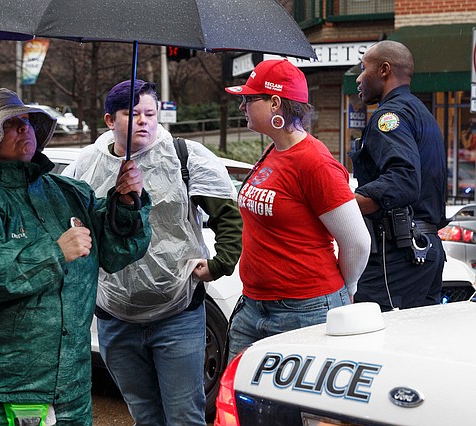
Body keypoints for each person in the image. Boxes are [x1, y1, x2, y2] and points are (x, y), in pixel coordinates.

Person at [0, 87, 151, 426]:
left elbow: (117, 251)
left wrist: (126, 203)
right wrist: (54, 253)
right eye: (10, 124)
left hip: (69, 393)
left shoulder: (68, 192)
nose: (24, 129)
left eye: (27, 122)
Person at [62, 79, 242, 425]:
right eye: (132, 114)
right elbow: (68, 223)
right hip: (116, 317)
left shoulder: (183, 157)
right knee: (145, 414)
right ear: (109, 120)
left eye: (150, 113)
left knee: (184, 415)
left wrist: (219, 264)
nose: (144, 120)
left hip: (177, 313)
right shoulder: (87, 164)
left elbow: (228, 216)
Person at [224, 59, 371, 361]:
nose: (242, 107)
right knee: (238, 400)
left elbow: (357, 241)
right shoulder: (274, 150)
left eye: (249, 99)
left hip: (306, 310)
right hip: (253, 305)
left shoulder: (314, 162)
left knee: (293, 408)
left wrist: (347, 289)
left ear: (275, 102)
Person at [349, 40, 447, 311]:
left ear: (384, 70)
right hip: (424, 251)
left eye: (362, 68)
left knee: (374, 339)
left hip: (397, 256)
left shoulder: (389, 116)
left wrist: (341, 204)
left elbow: (403, 180)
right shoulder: (420, 112)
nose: (358, 78)